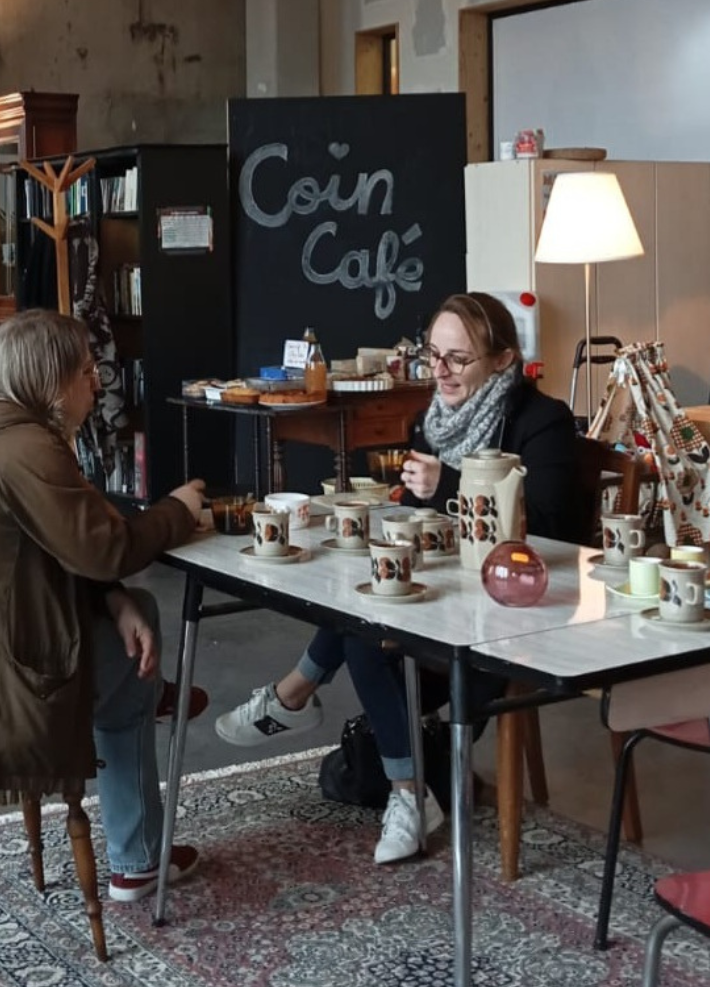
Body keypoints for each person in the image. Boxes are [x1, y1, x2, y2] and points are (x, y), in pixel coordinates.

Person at [215, 292, 583, 864]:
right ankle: (409, 792)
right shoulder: (432, 423)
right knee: (366, 614)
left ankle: (298, 697)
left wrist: (452, 483)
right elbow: (425, 525)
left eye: (458, 359)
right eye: (433, 355)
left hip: (517, 618)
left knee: (367, 626)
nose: (440, 371)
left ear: (504, 360)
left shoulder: (543, 422)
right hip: (450, 595)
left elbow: (553, 529)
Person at [0, 309, 208, 902]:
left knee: (133, 611)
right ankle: (139, 854)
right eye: (87, 371)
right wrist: (178, 510)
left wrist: (113, 598)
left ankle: (150, 698)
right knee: (131, 670)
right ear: (51, 379)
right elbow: (107, 548)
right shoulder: (26, 449)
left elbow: (61, 552)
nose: (97, 383)